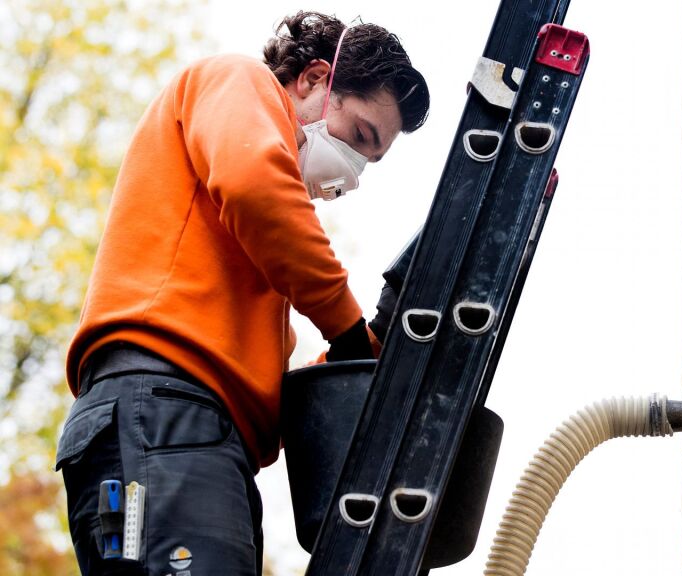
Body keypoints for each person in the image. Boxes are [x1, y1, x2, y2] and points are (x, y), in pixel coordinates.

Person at [55, 11, 429, 574]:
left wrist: (361, 354)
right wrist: (348, 329)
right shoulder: (237, 80)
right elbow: (258, 187)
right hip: (164, 414)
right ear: (313, 80)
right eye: (359, 137)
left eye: (370, 161)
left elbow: (278, 392)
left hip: (182, 434)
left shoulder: (254, 269)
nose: (353, 172)